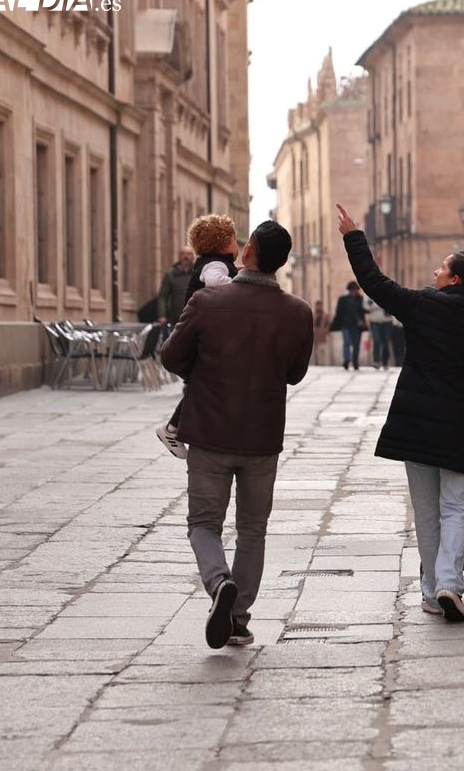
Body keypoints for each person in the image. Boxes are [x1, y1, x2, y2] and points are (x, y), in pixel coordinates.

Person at [335, 203, 464, 622]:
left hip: (416, 422)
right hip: (459, 424)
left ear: (454, 279)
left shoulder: (422, 304)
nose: (435, 273)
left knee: (426, 511)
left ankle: (429, 591)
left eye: (441, 268)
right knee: (456, 506)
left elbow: (374, 282)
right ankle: (449, 584)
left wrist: (354, 236)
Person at [160, 220, 313, 649]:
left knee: (203, 523)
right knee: (253, 529)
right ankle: (239, 618)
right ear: (281, 262)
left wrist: (207, 372)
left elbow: (171, 356)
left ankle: (218, 581)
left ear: (246, 252)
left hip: (210, 431)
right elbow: (295, 373)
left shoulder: (208, 301)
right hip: (262, 436)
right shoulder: (298, 312)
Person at [156, 215, 241, 460]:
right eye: (234, 239)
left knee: (200, 385)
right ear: (222, 242)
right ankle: (172, 429)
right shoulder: (215, 265)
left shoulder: (212, 262)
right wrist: (242, 283)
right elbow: (216, 282)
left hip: (200, 332)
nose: (238, 244)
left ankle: (176, 428)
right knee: (201, 386)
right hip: (201, 335)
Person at [330, 281, 366, 370]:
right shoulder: (342, 299)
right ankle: (347, 360)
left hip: (357, 326)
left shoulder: (361, 299)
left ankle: (355, 362)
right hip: (345, 324)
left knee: (356, 345)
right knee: (347, 342)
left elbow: (363, 312)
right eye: (353, 290)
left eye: (355, 290)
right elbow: (338, 312)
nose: (354, 291)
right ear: (349, 290)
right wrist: (337, 323)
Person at [157, 246, 194, 330]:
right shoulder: (171, 274)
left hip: (194, 315)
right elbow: (163, 296)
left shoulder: (197, 274)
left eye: (188, 254)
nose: (186, 256)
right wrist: (162, 315)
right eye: (183, 254)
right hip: (176, 317)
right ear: (179, 256)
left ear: (192, 256)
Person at [365, 295, 392, 369]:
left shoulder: (388, 292)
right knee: (376, 340)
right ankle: (376, 360)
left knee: (386, 342)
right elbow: (366, 306)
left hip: (387, 322)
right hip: (375, 322)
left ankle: (385, 361)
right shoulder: (369, 294)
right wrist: (377, 305)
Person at [312, 300, 332, 366]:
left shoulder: (326, 315)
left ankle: (323, 363)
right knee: (315, 350)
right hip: (314, 334)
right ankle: (316, 362)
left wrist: (325, 331)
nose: (319, 307)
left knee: (323, 349)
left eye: (321, 305)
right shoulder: (313, 314)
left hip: (323, 334)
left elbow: (328, 324)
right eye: (318, 305)